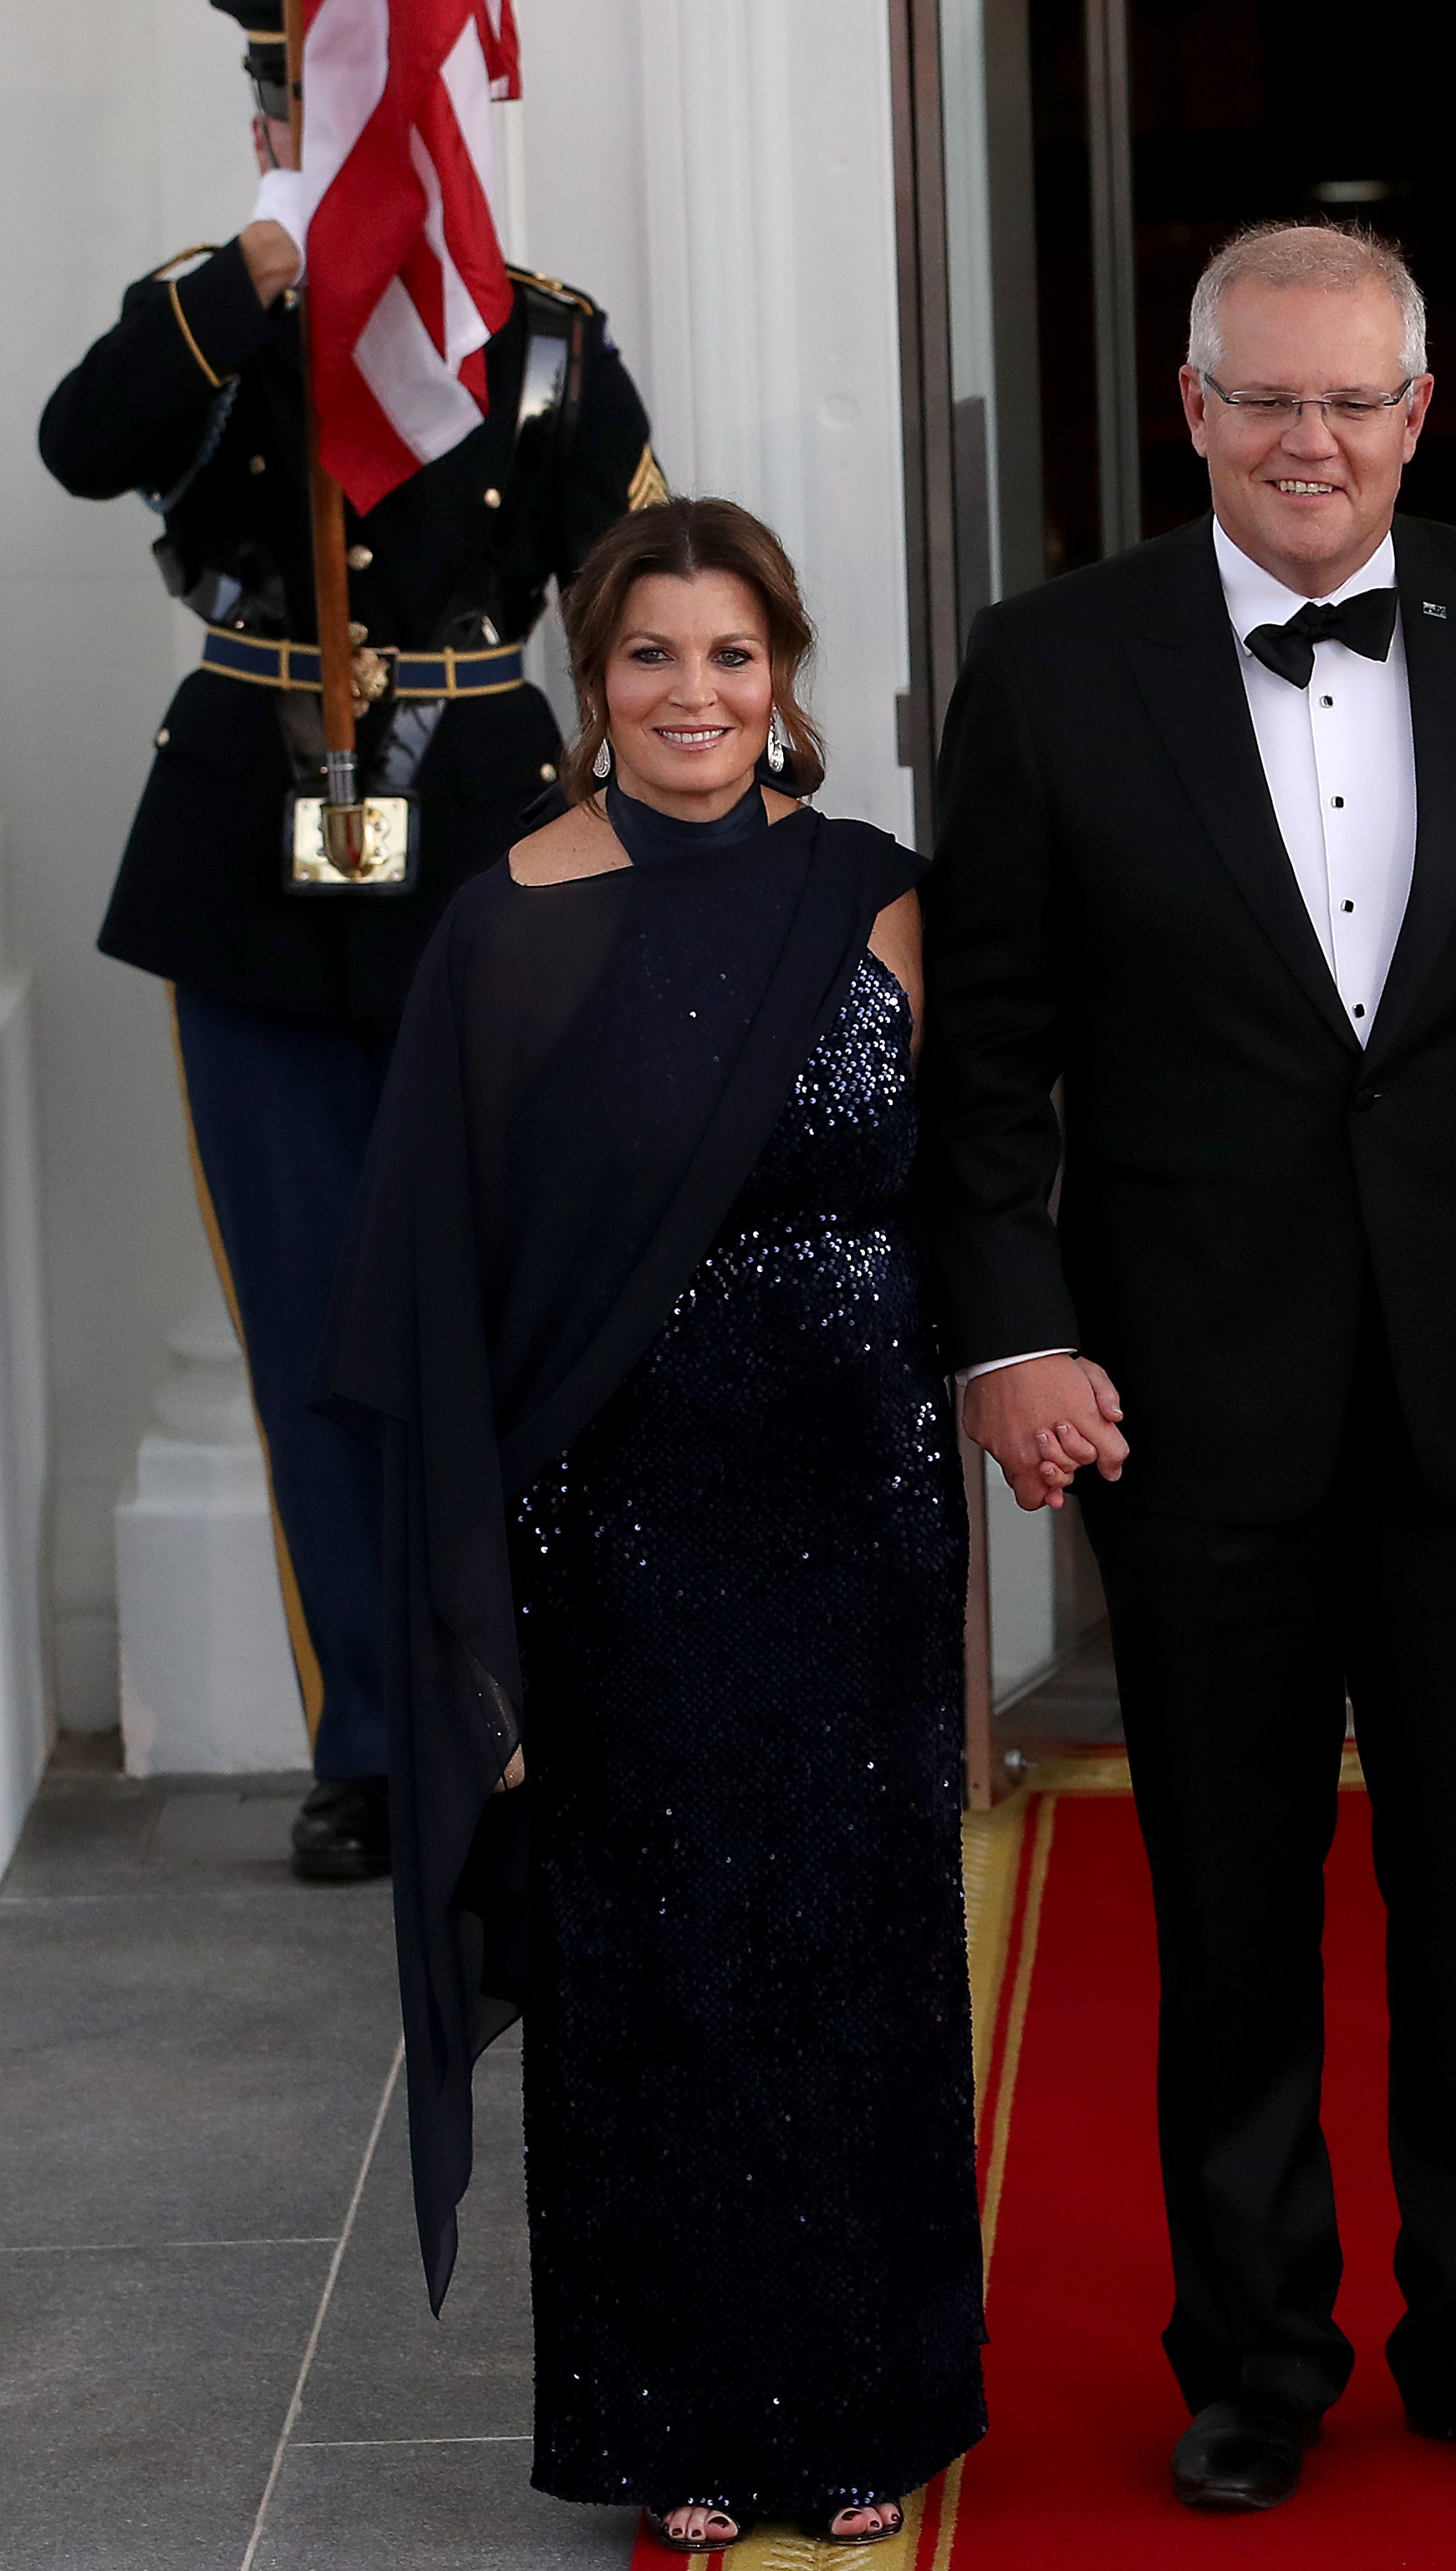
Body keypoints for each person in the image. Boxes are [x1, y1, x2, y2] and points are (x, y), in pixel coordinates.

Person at [918, 221, 1456, 2515]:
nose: (1309, 441)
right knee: (1227, 1904)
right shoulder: (1051, 665)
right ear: (1192, 407)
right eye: (1265, 399)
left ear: (1417, 415)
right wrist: (1012, 1327)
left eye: (1351, 401)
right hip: (1180, 1388)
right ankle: (1252, 2354)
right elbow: (990, 1052)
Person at [321, 500, 983, 2555]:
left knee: (859, 1951)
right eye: (648, 661)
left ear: (780, 673)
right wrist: (463, 1630)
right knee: (663, 1969)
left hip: (861, 1509)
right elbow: (433, 1291)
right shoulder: (508, 917)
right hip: (621, 1529)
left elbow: (960, 1189)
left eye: (729, 657)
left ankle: (861, 2393)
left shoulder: (871, 896)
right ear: (587, 683)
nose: (692, 698)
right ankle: (682, 2412)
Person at [38, 0, 658, 1881]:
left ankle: (528, 1711)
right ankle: (379, 1739)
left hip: (484, 849)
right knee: (316, 1327)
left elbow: (636, 590)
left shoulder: (540, 337)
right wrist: (259, 270)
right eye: (294, 105)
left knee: (511, 1313)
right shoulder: (215, 312)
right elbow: (81, 445)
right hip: (254, 860)